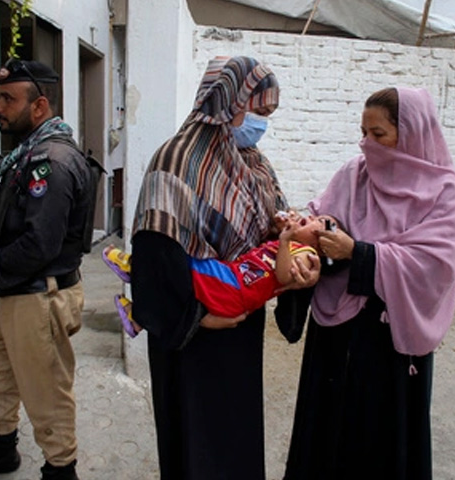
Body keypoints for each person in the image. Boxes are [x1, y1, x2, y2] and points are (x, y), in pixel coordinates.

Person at [130, 55, 320, 480]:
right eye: (258, 110)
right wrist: (198, 318)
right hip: (191, 333)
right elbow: (153, 255)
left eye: (267, 114)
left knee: (235, 440)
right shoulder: (175, 159)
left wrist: (298, 262)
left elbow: (276, 234)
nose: (261, 123)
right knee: (195, 445)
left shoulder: (253, 163)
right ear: (229, 102)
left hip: (241, 326)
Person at [277, 87, 455, 479]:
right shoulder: (353, 174)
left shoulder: (444, 192)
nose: (367, 144)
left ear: (411, 134)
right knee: (326, 434)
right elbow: (322, 216)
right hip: (335, 335)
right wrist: (307, 233)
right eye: (363, 132)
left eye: (379, 135)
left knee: (377, 441)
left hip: (388, 341)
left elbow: (435, 267)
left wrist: (359, 253)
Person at [0, 59, 95, 480]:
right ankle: (0, 450)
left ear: (39, 107)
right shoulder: (23, 157)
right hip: (16, 291)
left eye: (8, 98)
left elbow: (40, 244)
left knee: (47, 395)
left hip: (40, 296)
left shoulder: (51, 162)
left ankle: (61, 472)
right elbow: (18, 217)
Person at [103, 213, 332, 337]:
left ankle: (135, 269)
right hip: (232, 280)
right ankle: (138, 317)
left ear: (323, 246)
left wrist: (285, 240)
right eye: (315, 216)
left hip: (233, 288)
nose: (312, 218)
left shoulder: (306, 254)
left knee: (182, 264)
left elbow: (283, 276)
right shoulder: (293, 244)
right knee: (182, 274)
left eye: (319, 224)